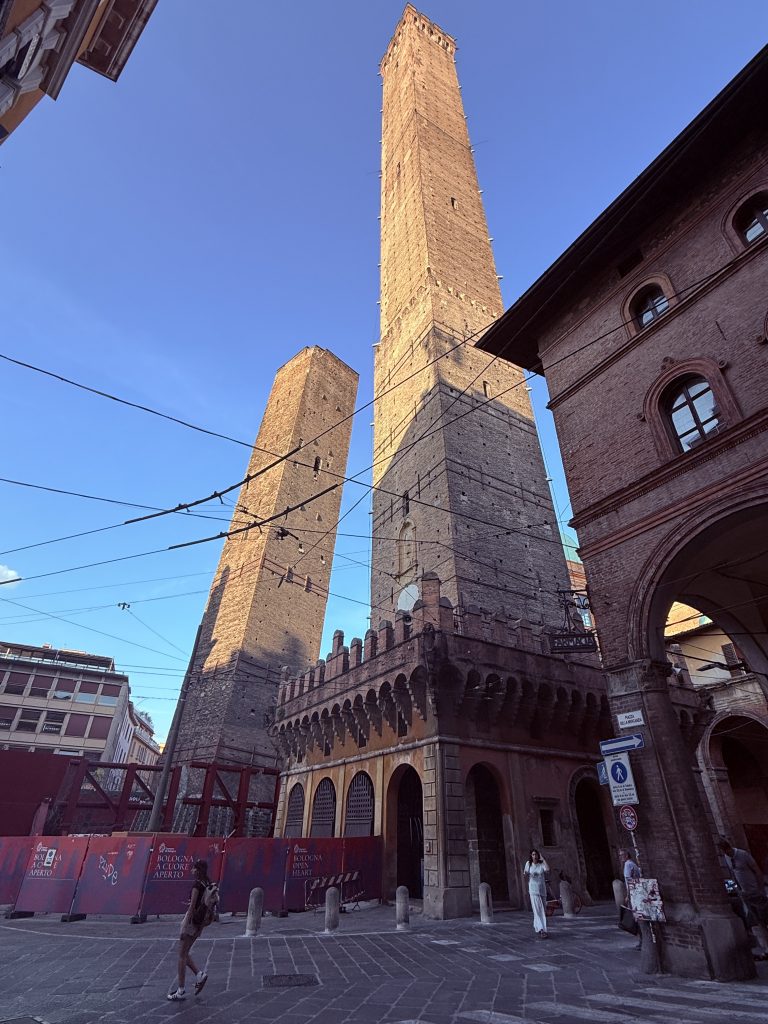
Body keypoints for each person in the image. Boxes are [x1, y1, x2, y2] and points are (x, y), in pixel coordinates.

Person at [167, 859, 213, 1001]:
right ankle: (199, 975)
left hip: (192, 922)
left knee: (181, 955)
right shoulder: (207, 883)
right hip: (200, 923)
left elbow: (192, 907)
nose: (191, 870)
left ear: (198, 870)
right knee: (185, 952)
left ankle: (180, 990)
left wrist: (185, 926)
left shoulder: (196, 885)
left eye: (193, 868)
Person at [718, 838, 768, 959]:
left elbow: (756, 870)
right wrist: (738, 890)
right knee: (756, 922)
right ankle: (766, 949)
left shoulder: (743, 854)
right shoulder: (727, 858)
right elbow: (733, 874)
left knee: (765, 918)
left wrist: (760, 889)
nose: (727, 854)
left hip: (755, 892)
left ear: (728, 848)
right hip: (745, 894)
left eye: (727, 851)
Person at [523, 848, 549, 938]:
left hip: (542, 889)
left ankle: (537, 926)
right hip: (533, 889)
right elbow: (525, 874)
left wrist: (543, 858)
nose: (535, 856)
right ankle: (542, 930)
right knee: (538, 910)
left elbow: (547, 870)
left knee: (543, 910)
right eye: (533, 855)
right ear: (531, 856)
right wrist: (529, 874)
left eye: (536, 854)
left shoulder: (541, 864)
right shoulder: (528, 864)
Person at [619, 849, 642, 950]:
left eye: (622, 855)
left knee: (636, 917)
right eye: (620, 855)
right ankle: (641, 940)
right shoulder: (633, 863)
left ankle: (642, 940)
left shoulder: (628, 865)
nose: (620, 857)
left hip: (634, 893)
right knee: (638, 916)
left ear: (627, 855)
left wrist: (628, 895)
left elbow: (629, 881)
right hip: (637, 892)